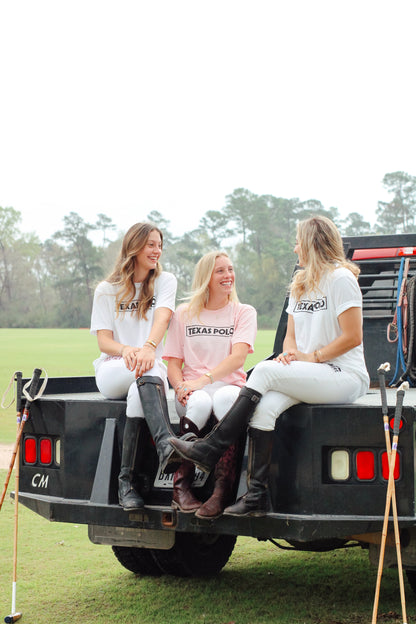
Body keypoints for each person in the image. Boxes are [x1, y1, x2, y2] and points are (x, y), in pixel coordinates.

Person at [168, 215, 370, 517]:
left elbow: (353, 337)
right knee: (264, 408)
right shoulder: (300, 283)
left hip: (344, 375)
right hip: (313, 372)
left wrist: (311, 358)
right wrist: (290, 355)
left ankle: (210, 448)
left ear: (313, 243)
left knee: (263, 370)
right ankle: (256, 496)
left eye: (298, 242)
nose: (294, 248)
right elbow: (291, 337)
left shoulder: (341, 278)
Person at [90, 222, 180, 512]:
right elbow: (104, 341)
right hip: (114, 369)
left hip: (148, 368)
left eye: (159, 245)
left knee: (140, 387)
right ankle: (166, 443)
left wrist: (149, 348)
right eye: (150, 244)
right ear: (134, 247)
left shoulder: (166, 282)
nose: (157, 250)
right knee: (147, 370)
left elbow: (163, 319)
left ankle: (126, 483)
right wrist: (128, 350)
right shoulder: (107, 290)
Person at [163, 251, 257, 519]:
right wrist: (181, 386)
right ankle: (180, 488)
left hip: (228, 386)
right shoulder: (184, 314)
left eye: (230, 269)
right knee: (202, 400)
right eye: (220, 271)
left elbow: (238, 357)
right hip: (193, 392)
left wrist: (203, 380)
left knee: (227, 398)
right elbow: (172, 363)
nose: (228, 276)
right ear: (206, 277)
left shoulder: (243, 312)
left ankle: (221, 491)